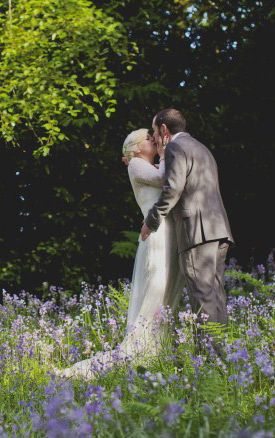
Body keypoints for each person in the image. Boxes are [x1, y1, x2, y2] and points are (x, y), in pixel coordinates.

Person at [53, 128, 185, 380]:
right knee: (155, 295)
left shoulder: (141, 163)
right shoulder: (136, 164)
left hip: (165, 234)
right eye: (148, 139)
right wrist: (167, 150)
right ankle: (100, 367)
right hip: (156, 237)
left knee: (163, 296)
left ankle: (156, 356)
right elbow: (163, 178)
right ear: (135, 149)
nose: (153, 140)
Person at [141, 108, 234, 360]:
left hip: (196, 232)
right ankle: (227, 357)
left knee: (203, 298)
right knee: (215, 295)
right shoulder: (202, 148)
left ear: (163, 129)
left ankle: (212, 363)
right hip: (219, 230)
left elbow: (173, 190)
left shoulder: (174, 148)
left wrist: (151, 221)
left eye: (154, 132)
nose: (154, 137)